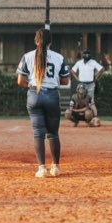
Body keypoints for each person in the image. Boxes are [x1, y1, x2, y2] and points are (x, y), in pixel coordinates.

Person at [17, 28, 70, 178]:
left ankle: (41, 168)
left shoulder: (27, 56)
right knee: (53, 133)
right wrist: (52, 81)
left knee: (38, 133)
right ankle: (56, 167)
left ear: (36, 41)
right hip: (52, 95)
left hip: (35, 94)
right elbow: (65, 80)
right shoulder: (58, 57)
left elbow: (20, 81)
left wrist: (34, 87)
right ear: (50, 42)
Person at [71, 48, 103, 117]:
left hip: (91, 84)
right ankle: (78, 116)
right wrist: (77, 79)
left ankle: (94, 117)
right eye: (85, 53)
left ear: (90, 55)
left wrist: (96, 77)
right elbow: (72, 71)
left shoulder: (93, 62)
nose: (86, 55)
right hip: (81, 84)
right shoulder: (79, 63)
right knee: (80, 100)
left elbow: (101, 69)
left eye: (88, 53)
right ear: (83, 55)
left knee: (91, 102)